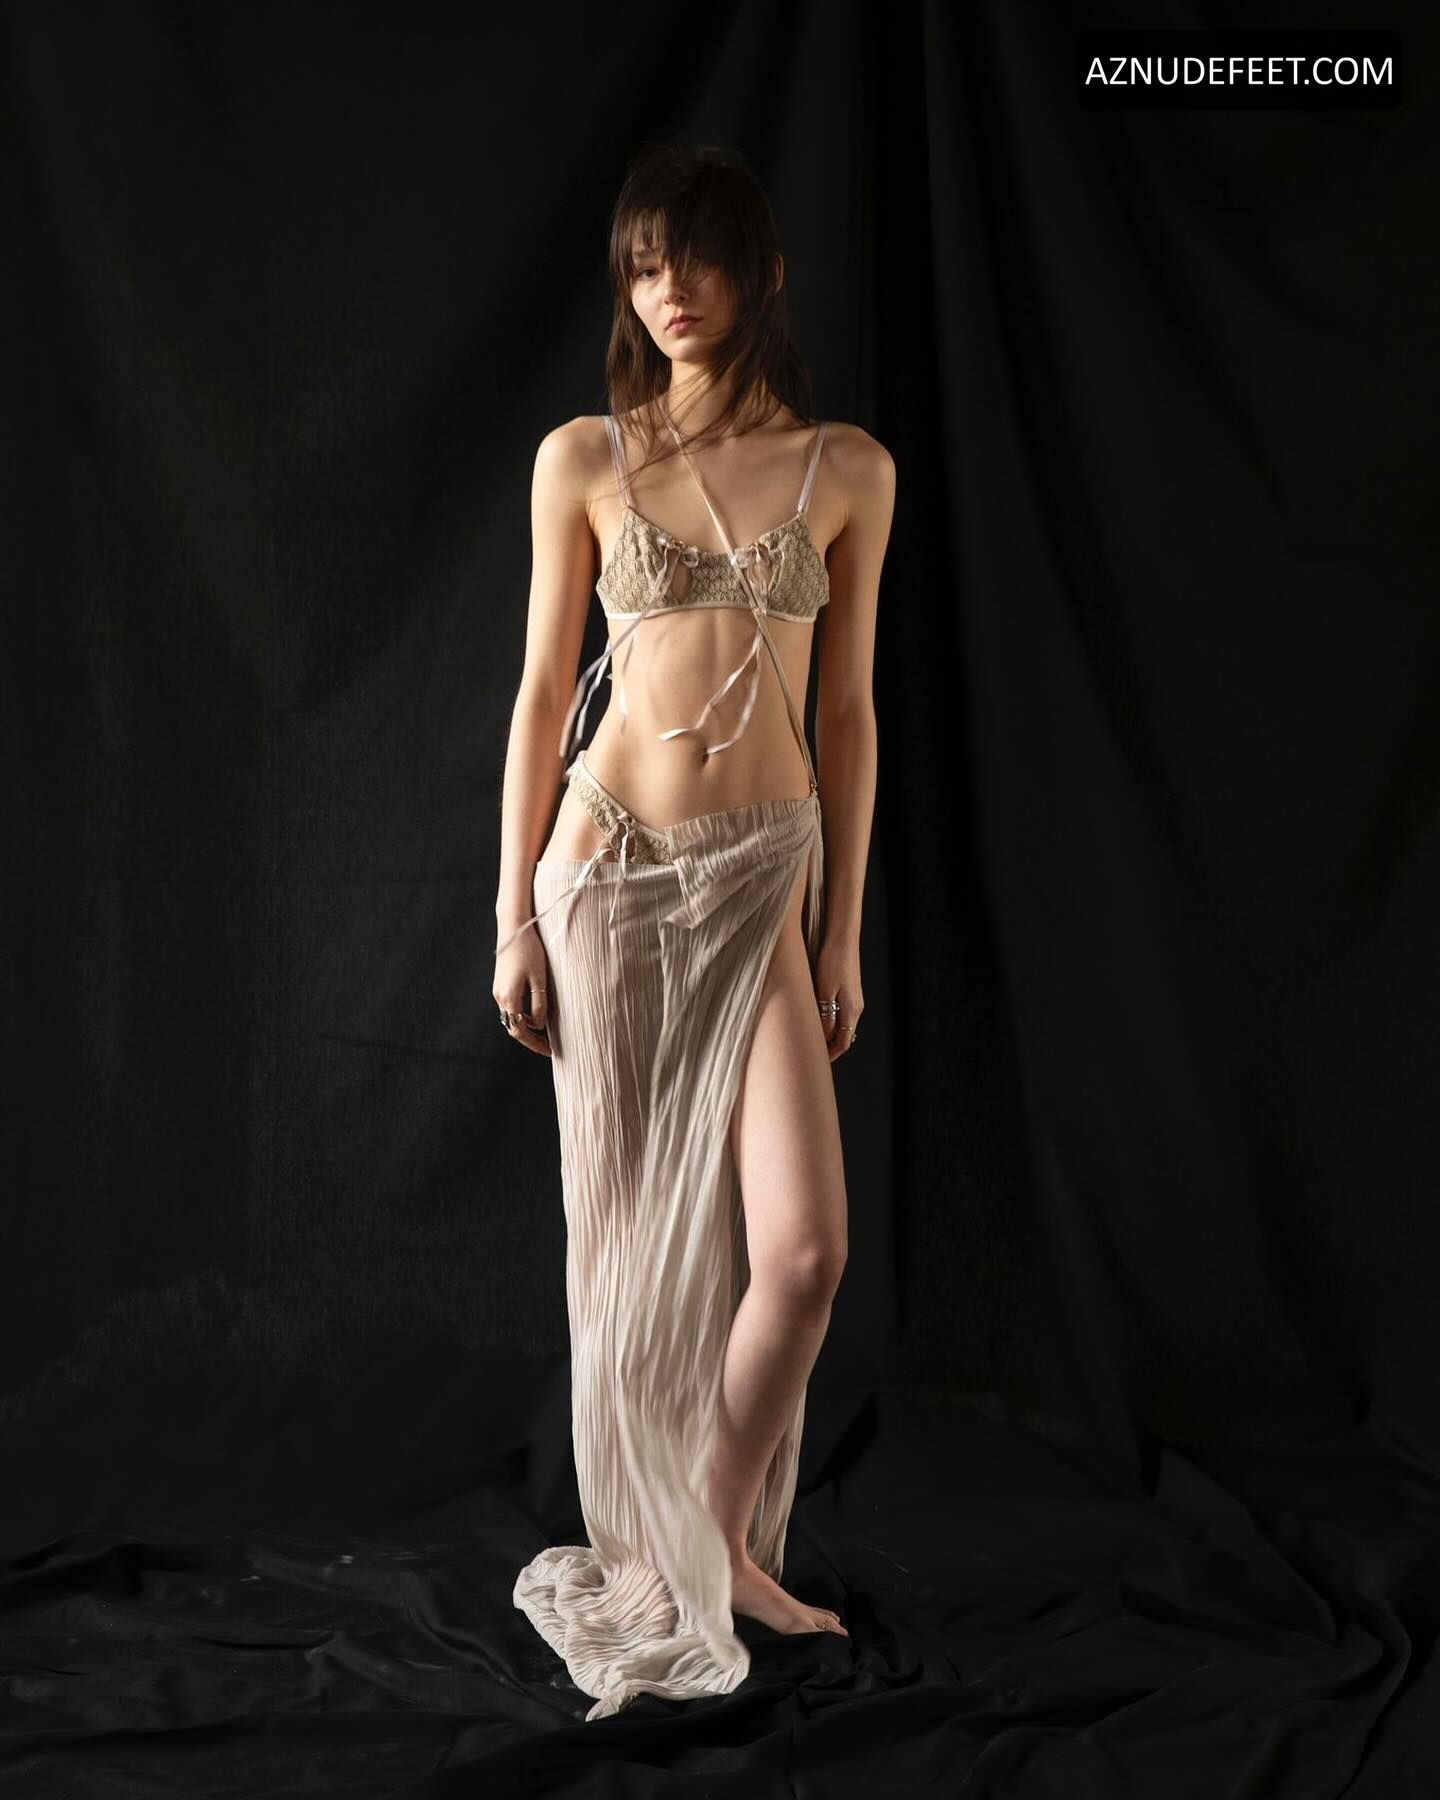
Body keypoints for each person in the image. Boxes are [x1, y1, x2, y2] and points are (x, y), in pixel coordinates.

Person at [492, 140, 893, 1719]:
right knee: (630, 1250)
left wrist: (840, 932)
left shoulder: (846, 470)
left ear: (764, 275)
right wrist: (511, 914)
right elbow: (542, 695)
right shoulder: (584, 458)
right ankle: (670, 1553)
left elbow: (849, 713)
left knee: (802, 1252)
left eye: (698, 261)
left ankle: (710, 1541)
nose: (670, 293)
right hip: (609, 867)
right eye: (645, 267)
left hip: (761, 874)